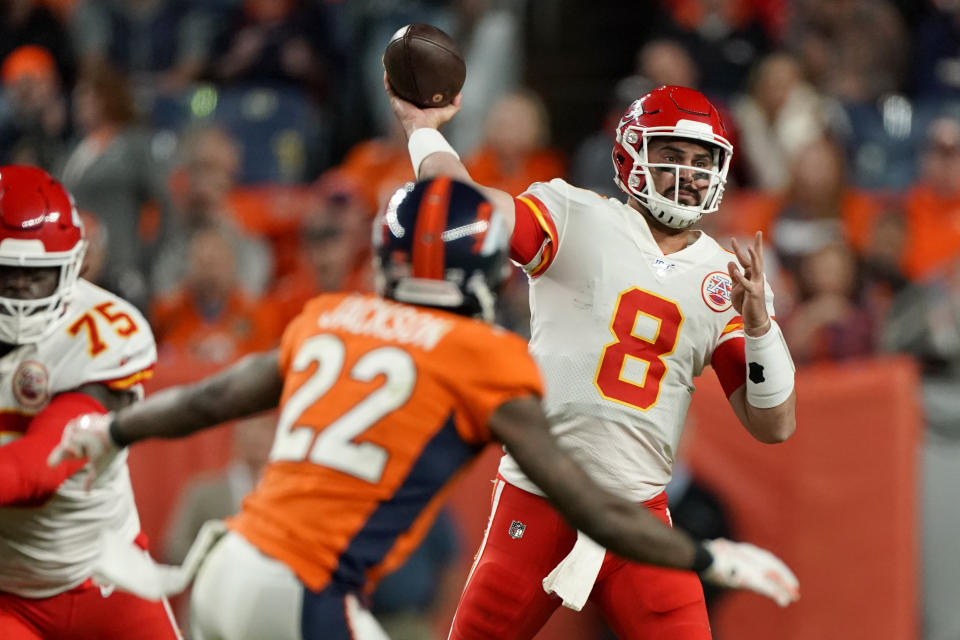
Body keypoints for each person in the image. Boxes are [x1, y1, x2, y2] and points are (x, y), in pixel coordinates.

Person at [49, 178, 798, 640]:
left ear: (384, 262)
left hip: (225, 564)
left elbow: (216, 395)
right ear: (484, 278)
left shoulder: (330, 314)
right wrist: (707, 556)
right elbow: (588, 504)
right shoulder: (482, 357)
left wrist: (111, 427)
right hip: (306, 591)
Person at [384, 81, 798, 640]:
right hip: (538, 496)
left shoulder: (724, 278)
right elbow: (466, 205)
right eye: (671, 154)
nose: (688, 172)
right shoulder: (577, 216)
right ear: (631, 154)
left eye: (702, 160)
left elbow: (774, 424)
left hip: (637, 514)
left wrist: (759, 327)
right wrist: (423, 130)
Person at [0, 166, 180, 639]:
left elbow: (44, 467)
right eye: (7, 273)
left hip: (106, 573)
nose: (20, 290)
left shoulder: (101, 330)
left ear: (71, 266)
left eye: (36, 275)